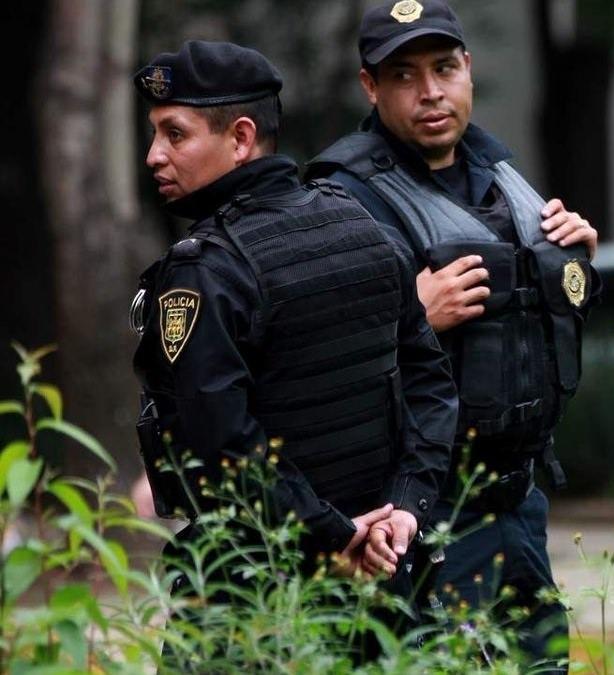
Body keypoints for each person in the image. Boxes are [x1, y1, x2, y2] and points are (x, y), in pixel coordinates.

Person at [306, 1, 601, 667]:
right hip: (416, 511)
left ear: (468, 69)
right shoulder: (341, 197)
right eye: (405, 75)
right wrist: (410, 316)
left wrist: (576, 266)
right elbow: (310, 358)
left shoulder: (503, 179)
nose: (430, 91)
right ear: (370, 87)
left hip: (518, 500)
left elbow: (536, 325)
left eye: (443, 68)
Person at [130, 40, 457, 597]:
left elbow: (222, 444)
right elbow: (433, 388)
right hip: (385, 576)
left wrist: (331, 535)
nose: (154, 155)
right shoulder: (367, 228)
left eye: (175, 134)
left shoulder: (205, 270)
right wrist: (405, 511)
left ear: (240, 139)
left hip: (258, 586)